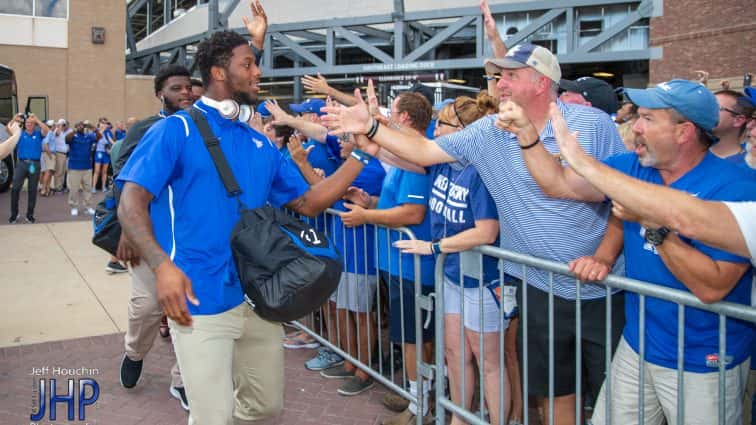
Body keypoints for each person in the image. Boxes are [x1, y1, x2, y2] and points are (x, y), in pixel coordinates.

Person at [321, 43, 626, 425]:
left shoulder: (591, 125)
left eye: (511, 75)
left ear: (542, 82)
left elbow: (622, 198)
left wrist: (605, 257)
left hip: (600, 288)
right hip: (537, 285)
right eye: (498, 75)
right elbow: (426, 151)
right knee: (553, 390)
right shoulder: (488, 132)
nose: (500, 83)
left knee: (612, 399)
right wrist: (370, 127)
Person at [116, 20, 373, 425]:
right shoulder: (174, 130)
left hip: (257, 296)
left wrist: (362, 155)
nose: (258, 72)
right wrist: (162, 267)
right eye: (249, 64)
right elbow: (130, 203)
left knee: (266, 406)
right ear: (220, 73)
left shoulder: (258, 142)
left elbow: (307, 203)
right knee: (212, 416)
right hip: (198, 298)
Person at [503, 79, 755, 425]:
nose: (635, 127)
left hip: (704, 358)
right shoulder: (634, 167)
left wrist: (653, 224)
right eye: (638, 115)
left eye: (649, 119)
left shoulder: (737, 186)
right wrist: (527, 137)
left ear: (684, 132)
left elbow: (712, 287)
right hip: (637, 344)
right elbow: (558, 184)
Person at [394, 94, 511, 425]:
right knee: (455, 353)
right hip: (454, 275)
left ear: (464, 131)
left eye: (442, 124)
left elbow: (487, 232)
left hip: (483, 279)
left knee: (487, 359)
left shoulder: (481, 173)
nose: (435, 130)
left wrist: (434, 247)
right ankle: (460, 417)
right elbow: (399, 155)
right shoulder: (443, 164)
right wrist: (365, 135)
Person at [337, 91, 436, 425]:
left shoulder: (417, 158)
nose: (388, 117)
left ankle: (419, 406)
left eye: (392, 112)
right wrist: (369, 202)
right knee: (410, 337)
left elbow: (411, 212)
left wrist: (367, 217)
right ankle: (416, 396)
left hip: (412, 265)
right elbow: (393, 204)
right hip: (397, 263)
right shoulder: (402, 155)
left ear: (405, 118)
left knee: (414, 339)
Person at [114, 64, 197, 411]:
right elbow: (121, 181)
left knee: (190, 312)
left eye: (189, 88)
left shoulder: (202, 129)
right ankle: (134, 352)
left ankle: (184, 380)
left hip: (190, 241)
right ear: (160, 94)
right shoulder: (148, 129)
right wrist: (126, 231)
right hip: (150, 238)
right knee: (146, 307)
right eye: (176, 88)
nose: (185, 93)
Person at [10, 113, 50, 224]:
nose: (28, 124)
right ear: (24, 124)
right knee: (15, 189)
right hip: (22, 164)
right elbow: (9, 129)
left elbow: (47, 131)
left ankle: (30, 215)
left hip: (34, 164)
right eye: (27, 123)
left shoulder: (38, 134)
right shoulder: (19, 134)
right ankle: (14, 214)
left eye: (31, 123)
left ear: (34, 125)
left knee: (32, 191)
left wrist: (37, 119)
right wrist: (14, 118)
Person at [710, 90, 754, 163]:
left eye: (715, 108)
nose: (705, 111)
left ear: (738, 120)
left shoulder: (749, 166)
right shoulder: (691, 153)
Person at [64, 121, 98, 216]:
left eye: (82, 125)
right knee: (74, 189)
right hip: (75, 167)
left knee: (87, 188)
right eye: (78, 125)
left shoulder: (88, 136)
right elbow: (66, 140)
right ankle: (74, 207)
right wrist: (75, 131)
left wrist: (92, 126)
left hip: (87, 167)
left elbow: (99, 137)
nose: (81, 127)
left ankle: (88, 206)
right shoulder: (72, 136)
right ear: (75, 127)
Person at [92, 119, 114, 192]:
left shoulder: (108, 132)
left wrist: (114, 146)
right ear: (99, 123)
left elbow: (111, 141)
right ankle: (93, 187)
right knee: (97, 171)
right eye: (102, 123)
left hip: (106, 153)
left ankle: (103, 186)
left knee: (104, 171)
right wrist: (102, 130)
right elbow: (96, 138)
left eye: (105, 123)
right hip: (99, 152)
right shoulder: (96, 131)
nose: (104, 124)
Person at [51, 118, 71, 193]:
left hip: (64, 154)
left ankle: (60, 186)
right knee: (59, 171)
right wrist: (58, 125)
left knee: (62, 171)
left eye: (64, 124)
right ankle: (57, 187)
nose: (64, 126)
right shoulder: (57, 131)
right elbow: (56, 131)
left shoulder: (63, 133)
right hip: (59, 153)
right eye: (63, 125)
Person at [39, 119, 56, 197]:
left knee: (48, 173)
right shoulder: (50, 133)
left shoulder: (47, 133)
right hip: (49, 154)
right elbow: (46, 144)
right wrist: (50, 155)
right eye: (54, 125)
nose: (55, 127)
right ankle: (43, 189)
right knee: (48, 172)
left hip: (45, 154)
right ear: (51, 126)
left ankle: (47, 189)